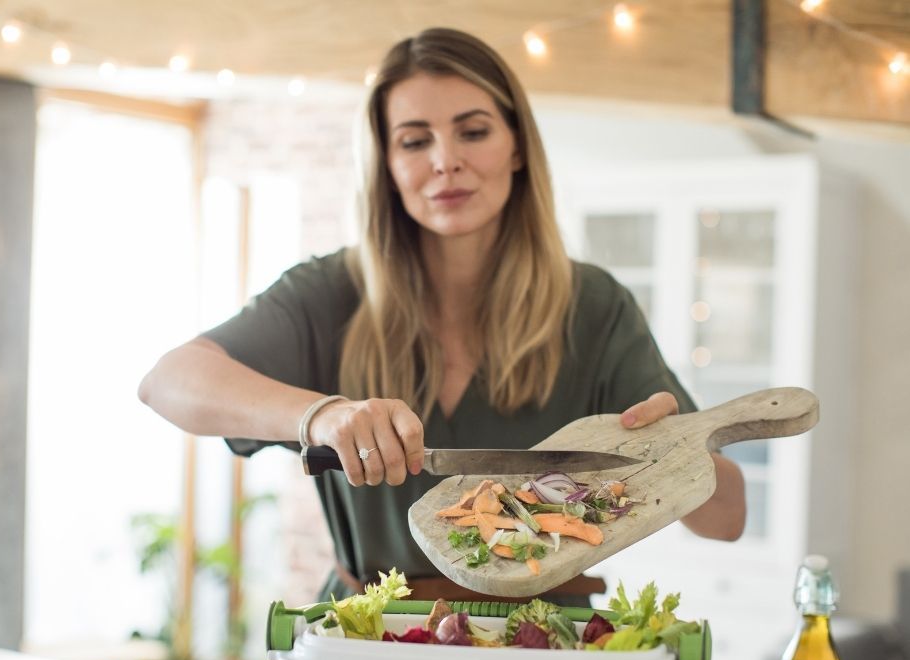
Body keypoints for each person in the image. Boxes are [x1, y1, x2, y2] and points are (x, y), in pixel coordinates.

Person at [138, 27, 746, 604]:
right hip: (369, 645)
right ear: (388, 166)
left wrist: (673, 454)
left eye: (473, 131)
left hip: (542, 655)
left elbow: (729, 520)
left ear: (516, 148)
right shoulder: (328, 292)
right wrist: (322, 416)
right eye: (414, 140)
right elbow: (167, 381)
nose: (444, 161)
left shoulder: (594, 306)